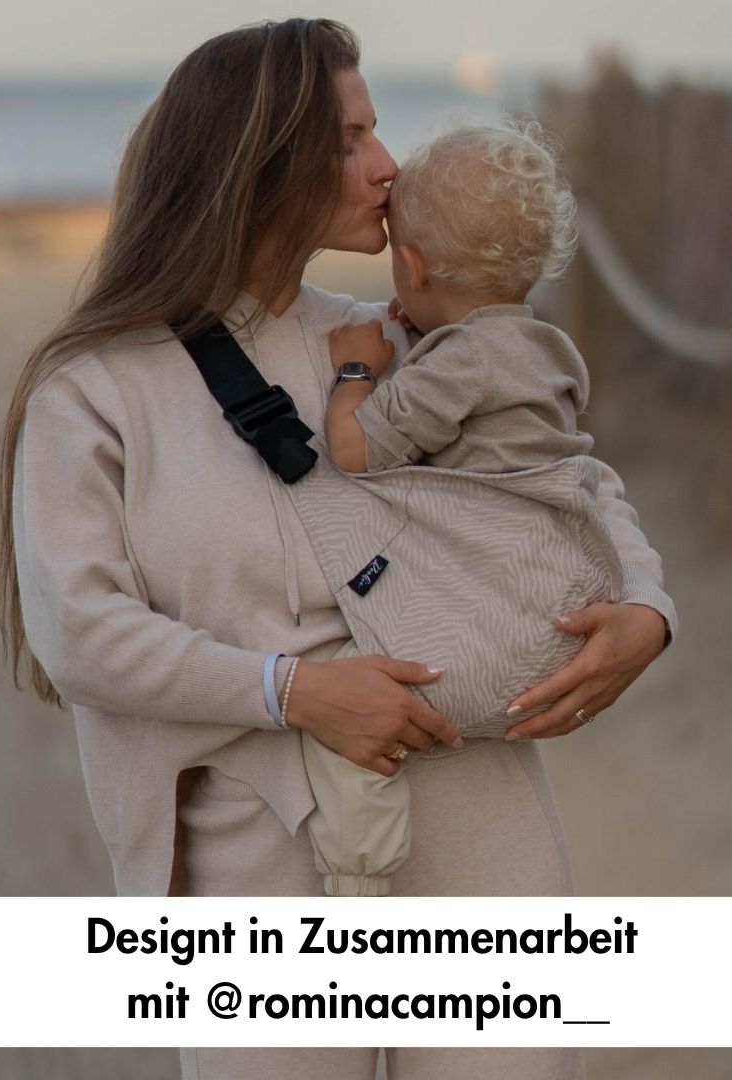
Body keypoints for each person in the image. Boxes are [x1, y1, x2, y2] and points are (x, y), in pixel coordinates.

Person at [0, 17, 675, 1080]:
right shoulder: (94, 390)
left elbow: (568, 476)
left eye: (376, 128)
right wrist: (294, 691)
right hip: (254, 866)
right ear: (264, 165)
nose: (387, 164)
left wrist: (645, 607)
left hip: (477, 834)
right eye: (352, 137)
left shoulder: (401, 342)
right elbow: (78, 631)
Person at [300, 119, 655, 899]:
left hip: (473, 649)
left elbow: (357, 449)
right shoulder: (547, 349)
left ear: (414, 267)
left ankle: (356, 876)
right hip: (557, 614)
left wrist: (358, 370)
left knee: (346, 709)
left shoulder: (459, 365)